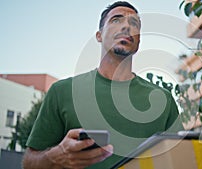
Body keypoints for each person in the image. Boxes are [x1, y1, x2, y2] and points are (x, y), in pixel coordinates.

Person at [22, 1, 183, 169]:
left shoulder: (163, 100)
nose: (127, 26)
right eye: (116, 20)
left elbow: (183, 162)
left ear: (138, 41)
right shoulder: (62, 92)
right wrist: (56, 156)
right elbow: (29, 163)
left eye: (134, 23)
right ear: (99, 35)